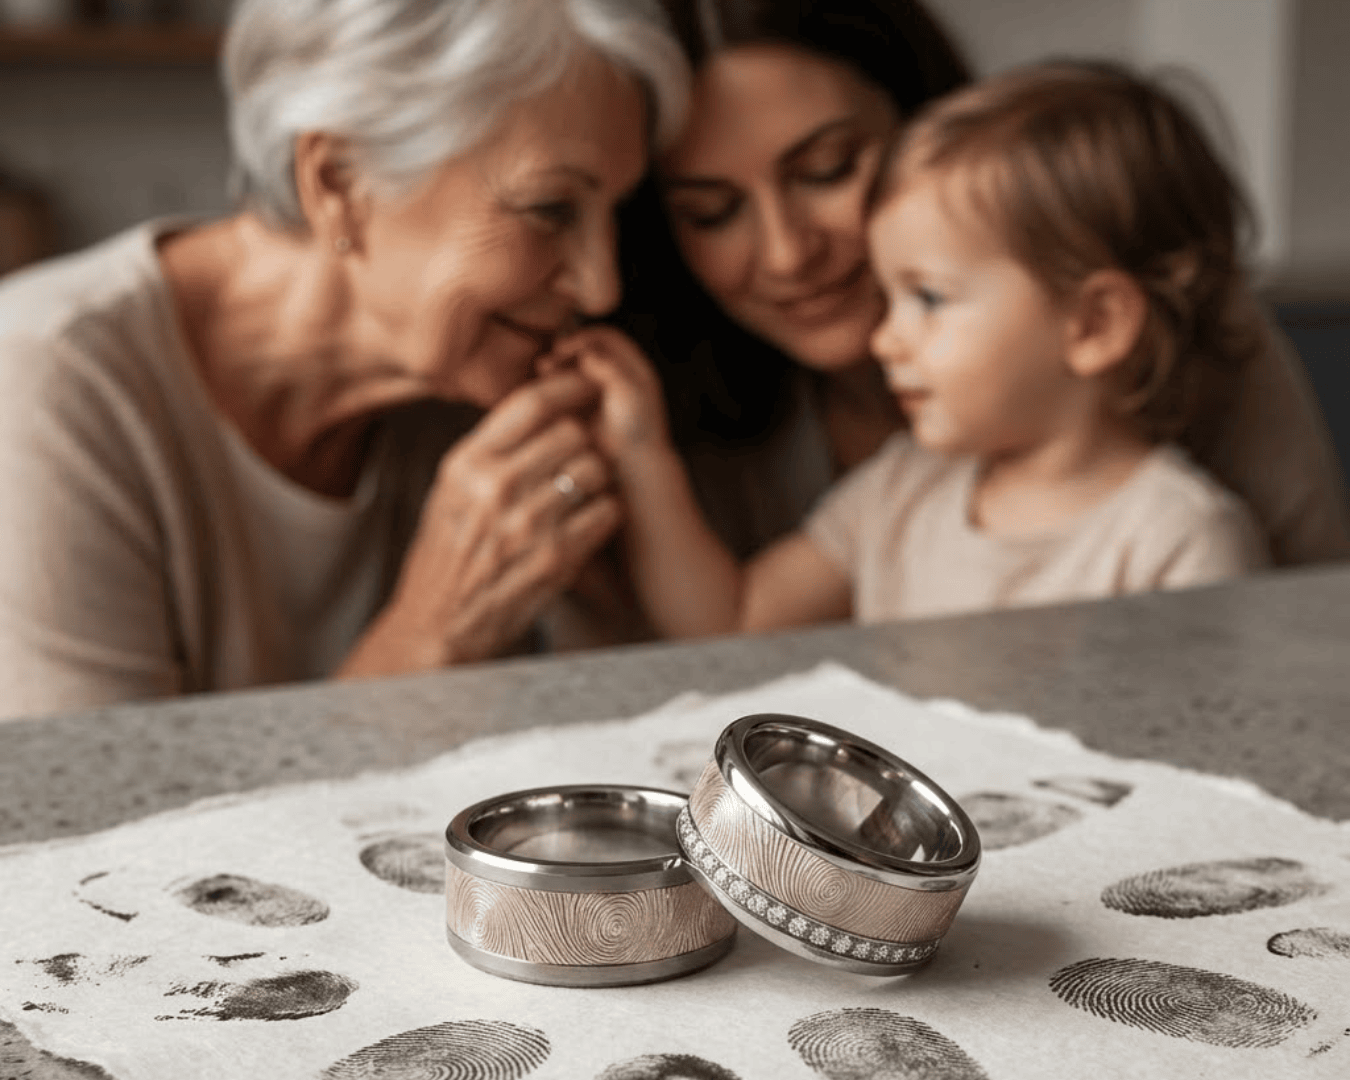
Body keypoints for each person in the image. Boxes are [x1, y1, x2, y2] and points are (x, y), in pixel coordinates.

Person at [0, 0, 689, 720]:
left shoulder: (475, 388)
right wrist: (429, 641)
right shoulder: (42, 387)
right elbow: (92, 828)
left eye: (615, 214)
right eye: (551, 208)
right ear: (339, 183)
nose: (602, 285)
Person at [611, 0, 1350, 569]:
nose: (786, 254)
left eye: (829, 169)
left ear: (930, 126)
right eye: (709, 213)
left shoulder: (1186, 350)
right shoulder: (874, 481)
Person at [576, 60, 1270, 634]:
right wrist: (642, 453)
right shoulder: (902, 488)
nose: (884, 337)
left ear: (1094, 325)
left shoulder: (1180, 541)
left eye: (928, 299)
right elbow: (730, 625)